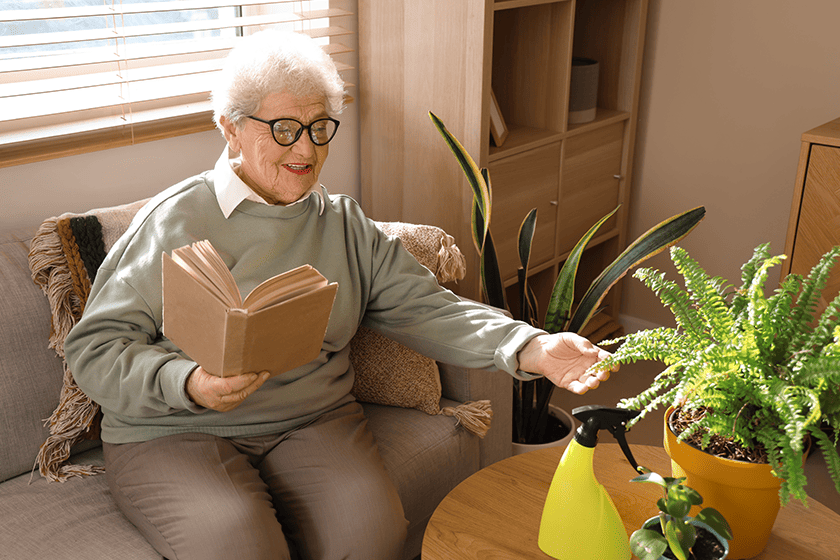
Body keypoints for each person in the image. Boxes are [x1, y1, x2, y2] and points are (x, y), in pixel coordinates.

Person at [64, 29, 615, 560]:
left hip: (310, 419)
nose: (305, 148)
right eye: (283, 128)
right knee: (237, 543)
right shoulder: (172, 220)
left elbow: (426, 308)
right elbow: (93, 349)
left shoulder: (343, 225)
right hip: (171, 429)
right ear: (229, 128)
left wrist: (530, 346)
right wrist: (186, 381)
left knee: (371, 532)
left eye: (320, 126)